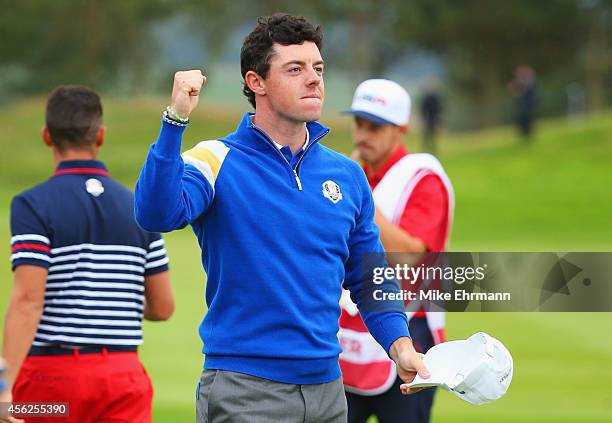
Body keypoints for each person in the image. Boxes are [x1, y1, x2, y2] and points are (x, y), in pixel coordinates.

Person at [134, 13, 429, 423]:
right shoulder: (215, 159)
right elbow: (156, 212)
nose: (314, 79)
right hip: (245, 391)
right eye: (295, 69)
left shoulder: (346, 174)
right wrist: (175, 121)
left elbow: (369, 275)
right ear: (257, 83)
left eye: (318, 68)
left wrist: (400, 345)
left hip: (328, 391)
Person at [1, 86, 173, 423]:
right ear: (101, 136)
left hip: (49, 383)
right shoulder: (138, 205)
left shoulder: (32, 205)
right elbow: (163, 307)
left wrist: (4, 388)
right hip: (124, 378)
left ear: (47, 136)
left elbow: (28, 301)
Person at [339, 79, 454, 423]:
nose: (363, 135)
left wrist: (357, 193)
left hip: (411, 330)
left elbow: (413, 257)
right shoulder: (353, 173)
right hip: (350, 330)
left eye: (375, 126)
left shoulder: (423, 177)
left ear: (401, 128)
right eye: (359, 123)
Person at [508, 65, 537, 139]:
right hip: (523, 105)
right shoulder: (523, 82)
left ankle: (528, 134)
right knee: (521, 119)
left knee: (526, 119)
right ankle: (524, 134)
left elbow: (524, 92)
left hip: (528, 104)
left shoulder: (529, 82)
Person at [419, 78, 443, 154]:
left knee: (432, 135)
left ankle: (432, 149)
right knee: (426, 135)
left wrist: (439, 118)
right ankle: (426, 149)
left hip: (434, 118)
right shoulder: (426, 98)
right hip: (427, 118)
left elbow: (439, 109)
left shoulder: (436, 98)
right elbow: (423, 109)